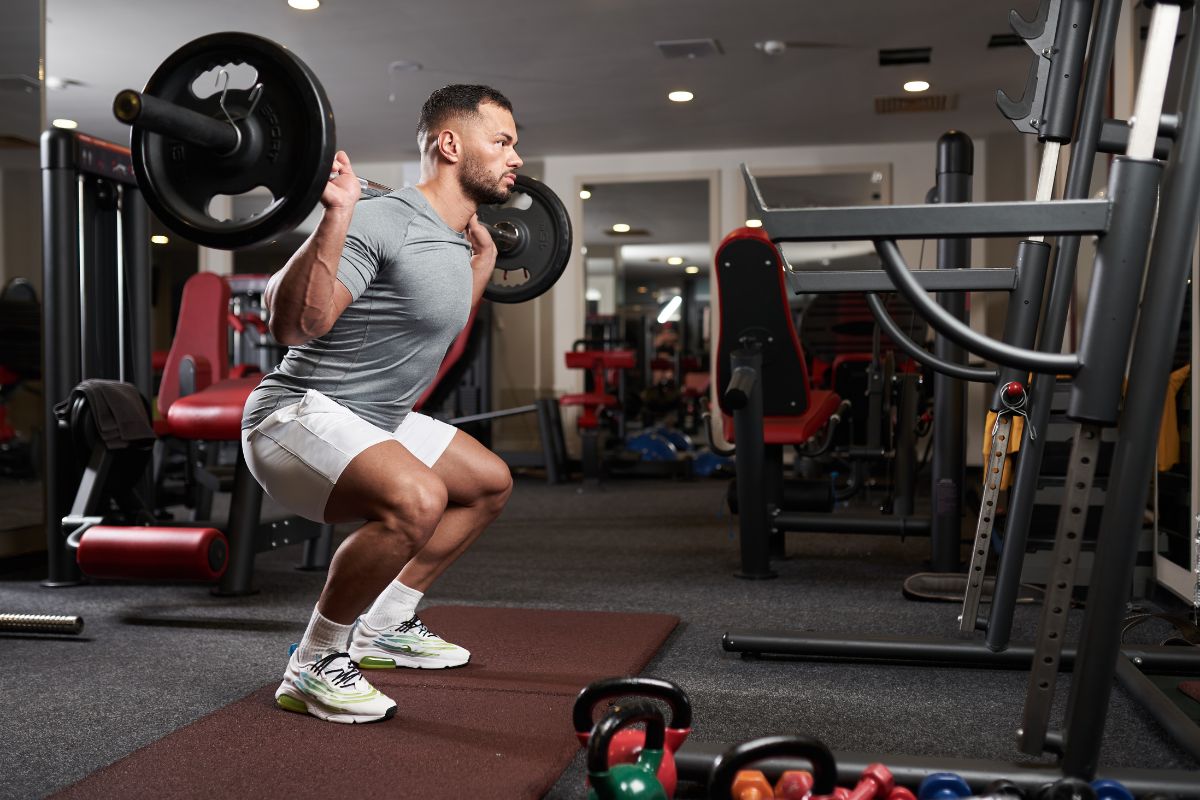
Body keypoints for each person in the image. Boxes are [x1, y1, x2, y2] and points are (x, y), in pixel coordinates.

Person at [240, 85, 521, 724]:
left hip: (371, 419)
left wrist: (483, 261)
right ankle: (313, 661)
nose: (516, 158)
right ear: (450, 145)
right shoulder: (383, 216)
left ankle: (384, 627)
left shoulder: (457, 238)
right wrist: (336, 218)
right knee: (418, 498)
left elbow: (435, 322)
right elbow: (294, 327)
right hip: (294, 415)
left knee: (488, 484)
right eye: (502, 141)